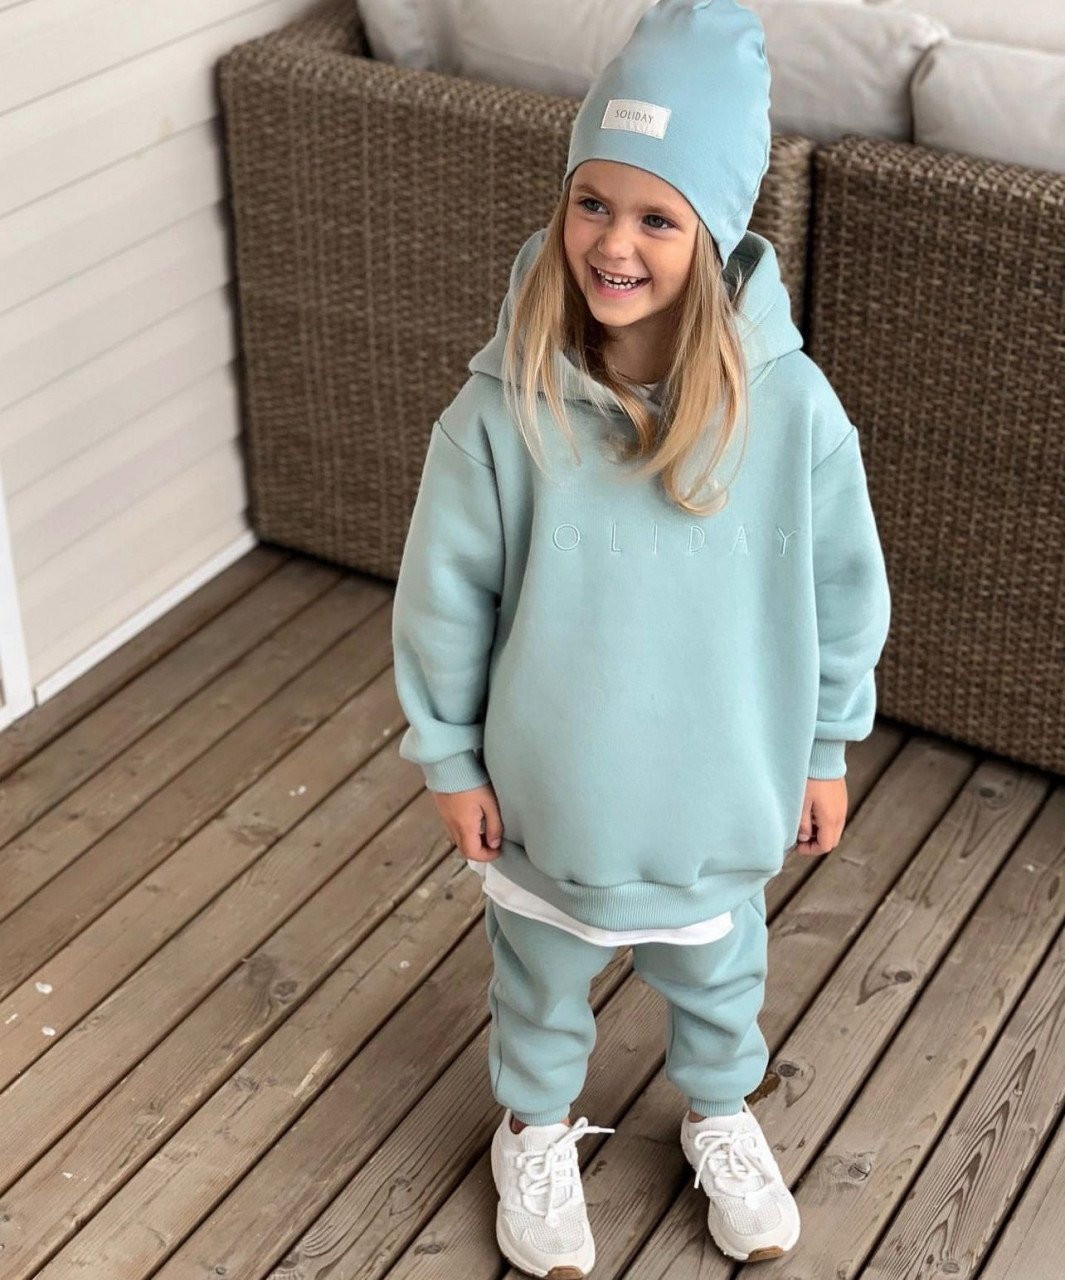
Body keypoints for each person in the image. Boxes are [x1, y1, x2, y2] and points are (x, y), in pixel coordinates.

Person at [390, 0, 892, 1273]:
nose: (614, 242)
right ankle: (533, 1125)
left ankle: (719, 1111)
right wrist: (450, 758)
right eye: (592, 202)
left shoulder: (792, 410)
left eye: (658, 217)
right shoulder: (500, 410)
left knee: (721, 977)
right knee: (539, 979)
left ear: (713, 233)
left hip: (717, 791)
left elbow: (845, 588)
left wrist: (827, 745)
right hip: (551, 793)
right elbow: (443, 593)